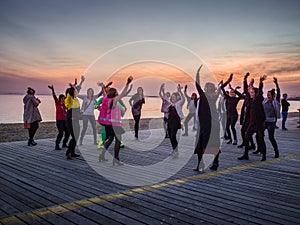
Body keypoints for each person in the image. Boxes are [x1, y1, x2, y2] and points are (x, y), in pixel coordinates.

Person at [98, 76, 133, 165]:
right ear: (114, 94)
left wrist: (103, 86)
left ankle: (102, 155)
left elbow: (103, 92)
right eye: (116, 93)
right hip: (114, 125)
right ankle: (116, 159)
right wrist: (127, 83)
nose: (118, 94)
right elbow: (123, 93)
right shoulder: (114, 100)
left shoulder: (105, 99)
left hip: (107, 124)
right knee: (118, 140)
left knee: (110, 139)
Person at [194, 65, 221, 172]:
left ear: (213, 88)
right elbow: (197, 85)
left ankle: (215, 162)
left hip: (214, 124)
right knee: (200, 144)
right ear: (206, 88)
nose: (209, 87)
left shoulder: (214, 97)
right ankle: (200, 164)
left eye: (211, 86)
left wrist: (226, 83)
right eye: (208, 86)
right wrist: (197, 74)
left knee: (214, 144)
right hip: (204, 124)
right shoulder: (203, 95)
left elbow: (220, 89)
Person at [238, 76, 266, 161]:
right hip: (252, 123)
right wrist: (246, 81)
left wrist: (261, 82)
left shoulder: (258, 100)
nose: (251, 94)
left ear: (256, 93)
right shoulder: (250, 101)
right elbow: (246, 91)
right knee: (246, 138)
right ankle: (245, 155)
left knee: (261, 139)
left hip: (259, 123)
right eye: (251, 93)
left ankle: (264, 156)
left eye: (252, 93)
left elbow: (260, 92)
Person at [78, 77, 103, 145]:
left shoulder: (94, 97)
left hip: (92, 115)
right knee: (85, 127)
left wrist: (102, 86)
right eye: (89, 92)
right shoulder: (84, 97)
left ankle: (95, 141)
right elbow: (77, 94)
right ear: (87, 92)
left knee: (94, 128)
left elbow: (100, 93)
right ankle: (81, 141)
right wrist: (81, 82)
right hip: (85, 114)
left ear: (92, 93)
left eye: (91, 92)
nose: (90, 93)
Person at [220, 74, 243, 145]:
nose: (231, 93)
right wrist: (225, 84)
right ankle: (230, 139)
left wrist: (234, 90)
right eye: (231, 92)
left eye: (233, 93)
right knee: (227, 127)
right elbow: (221, 88)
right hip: (228, 115)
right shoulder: (228, 98)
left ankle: (235, 140)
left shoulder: (236, 99)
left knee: (232, 127)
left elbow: (241, 96)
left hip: (234, 115)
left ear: (235, 94)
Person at [261, 77, 280, 158]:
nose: (267, 96)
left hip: (271, 122)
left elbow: (278, 92)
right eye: (267, 95)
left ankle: (276, 152)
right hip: (264, 121)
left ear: (273, 96)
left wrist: (276, 84)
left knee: (271, 137)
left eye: (269, 95)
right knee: (259, 136)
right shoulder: (264, 101)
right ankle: (262, 152)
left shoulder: (275, 102)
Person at [48, 85, 70, 150]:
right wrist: (52, 90)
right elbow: (54, 96)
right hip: (59, 120)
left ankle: (64, 143)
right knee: (60, 132)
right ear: (60, 99)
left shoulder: (66, 105)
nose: (63, 99)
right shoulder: (58, 103)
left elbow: (69, 96)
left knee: (68, 132)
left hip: (65, 121)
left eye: (64, 98)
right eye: (62, 98)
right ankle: (57, 145)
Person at [238, 73, 256, 150]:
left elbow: (246, 89)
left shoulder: (254, 98)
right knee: (244, 131)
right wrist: (245, 79)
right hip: (245, 117)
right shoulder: (247, 97)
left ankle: (249, 145)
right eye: (249, 88)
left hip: (251, 119)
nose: (249, 89)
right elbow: (244, 90)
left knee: (246, 132)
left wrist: (246, 80)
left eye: (250, 88)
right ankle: (248, 144)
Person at [167, 84, 185, 158]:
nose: (172, 97)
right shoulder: (170, 104)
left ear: (177, 98)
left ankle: (176, 151)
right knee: (170, 137)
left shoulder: (178, 104)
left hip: (175, 122)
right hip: (170, 122)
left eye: (174, 97)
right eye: (172, 97)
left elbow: (183, 99)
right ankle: (174, 150)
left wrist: (180, 91)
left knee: (173, 136)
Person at [64, 81, 81, 160]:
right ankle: (68, 152)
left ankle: (72, 152)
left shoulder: (76, 99)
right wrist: (73, 87)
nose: (76, 92)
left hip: (75, 120)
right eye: (75, 91)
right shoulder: (69, 99)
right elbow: (71, 94)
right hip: (71, 120)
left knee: (76, 137)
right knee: (74, 137)